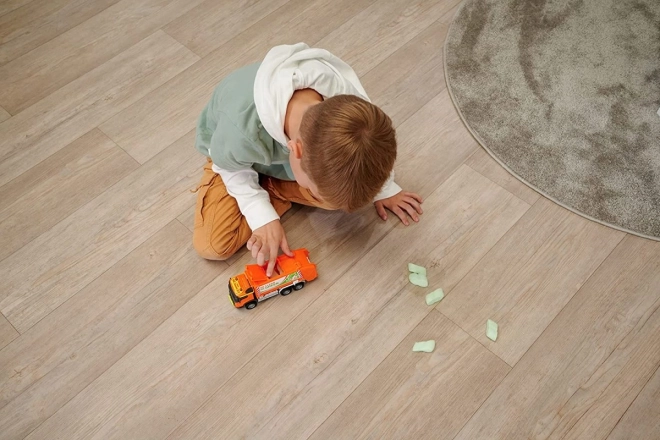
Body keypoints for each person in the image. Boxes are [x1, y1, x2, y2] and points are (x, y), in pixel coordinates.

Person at [193, 43, 423, 276]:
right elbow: (229, 167)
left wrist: (385, 189)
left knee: (341, 197)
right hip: (232, 160)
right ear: (295, 150)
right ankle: (272, 191)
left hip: (285, 160)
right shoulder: (240, 132)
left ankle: (275, 189)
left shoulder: (352, 106)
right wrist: (261, 216)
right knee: (213, 245)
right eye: (310, 187)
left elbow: (370, 144)